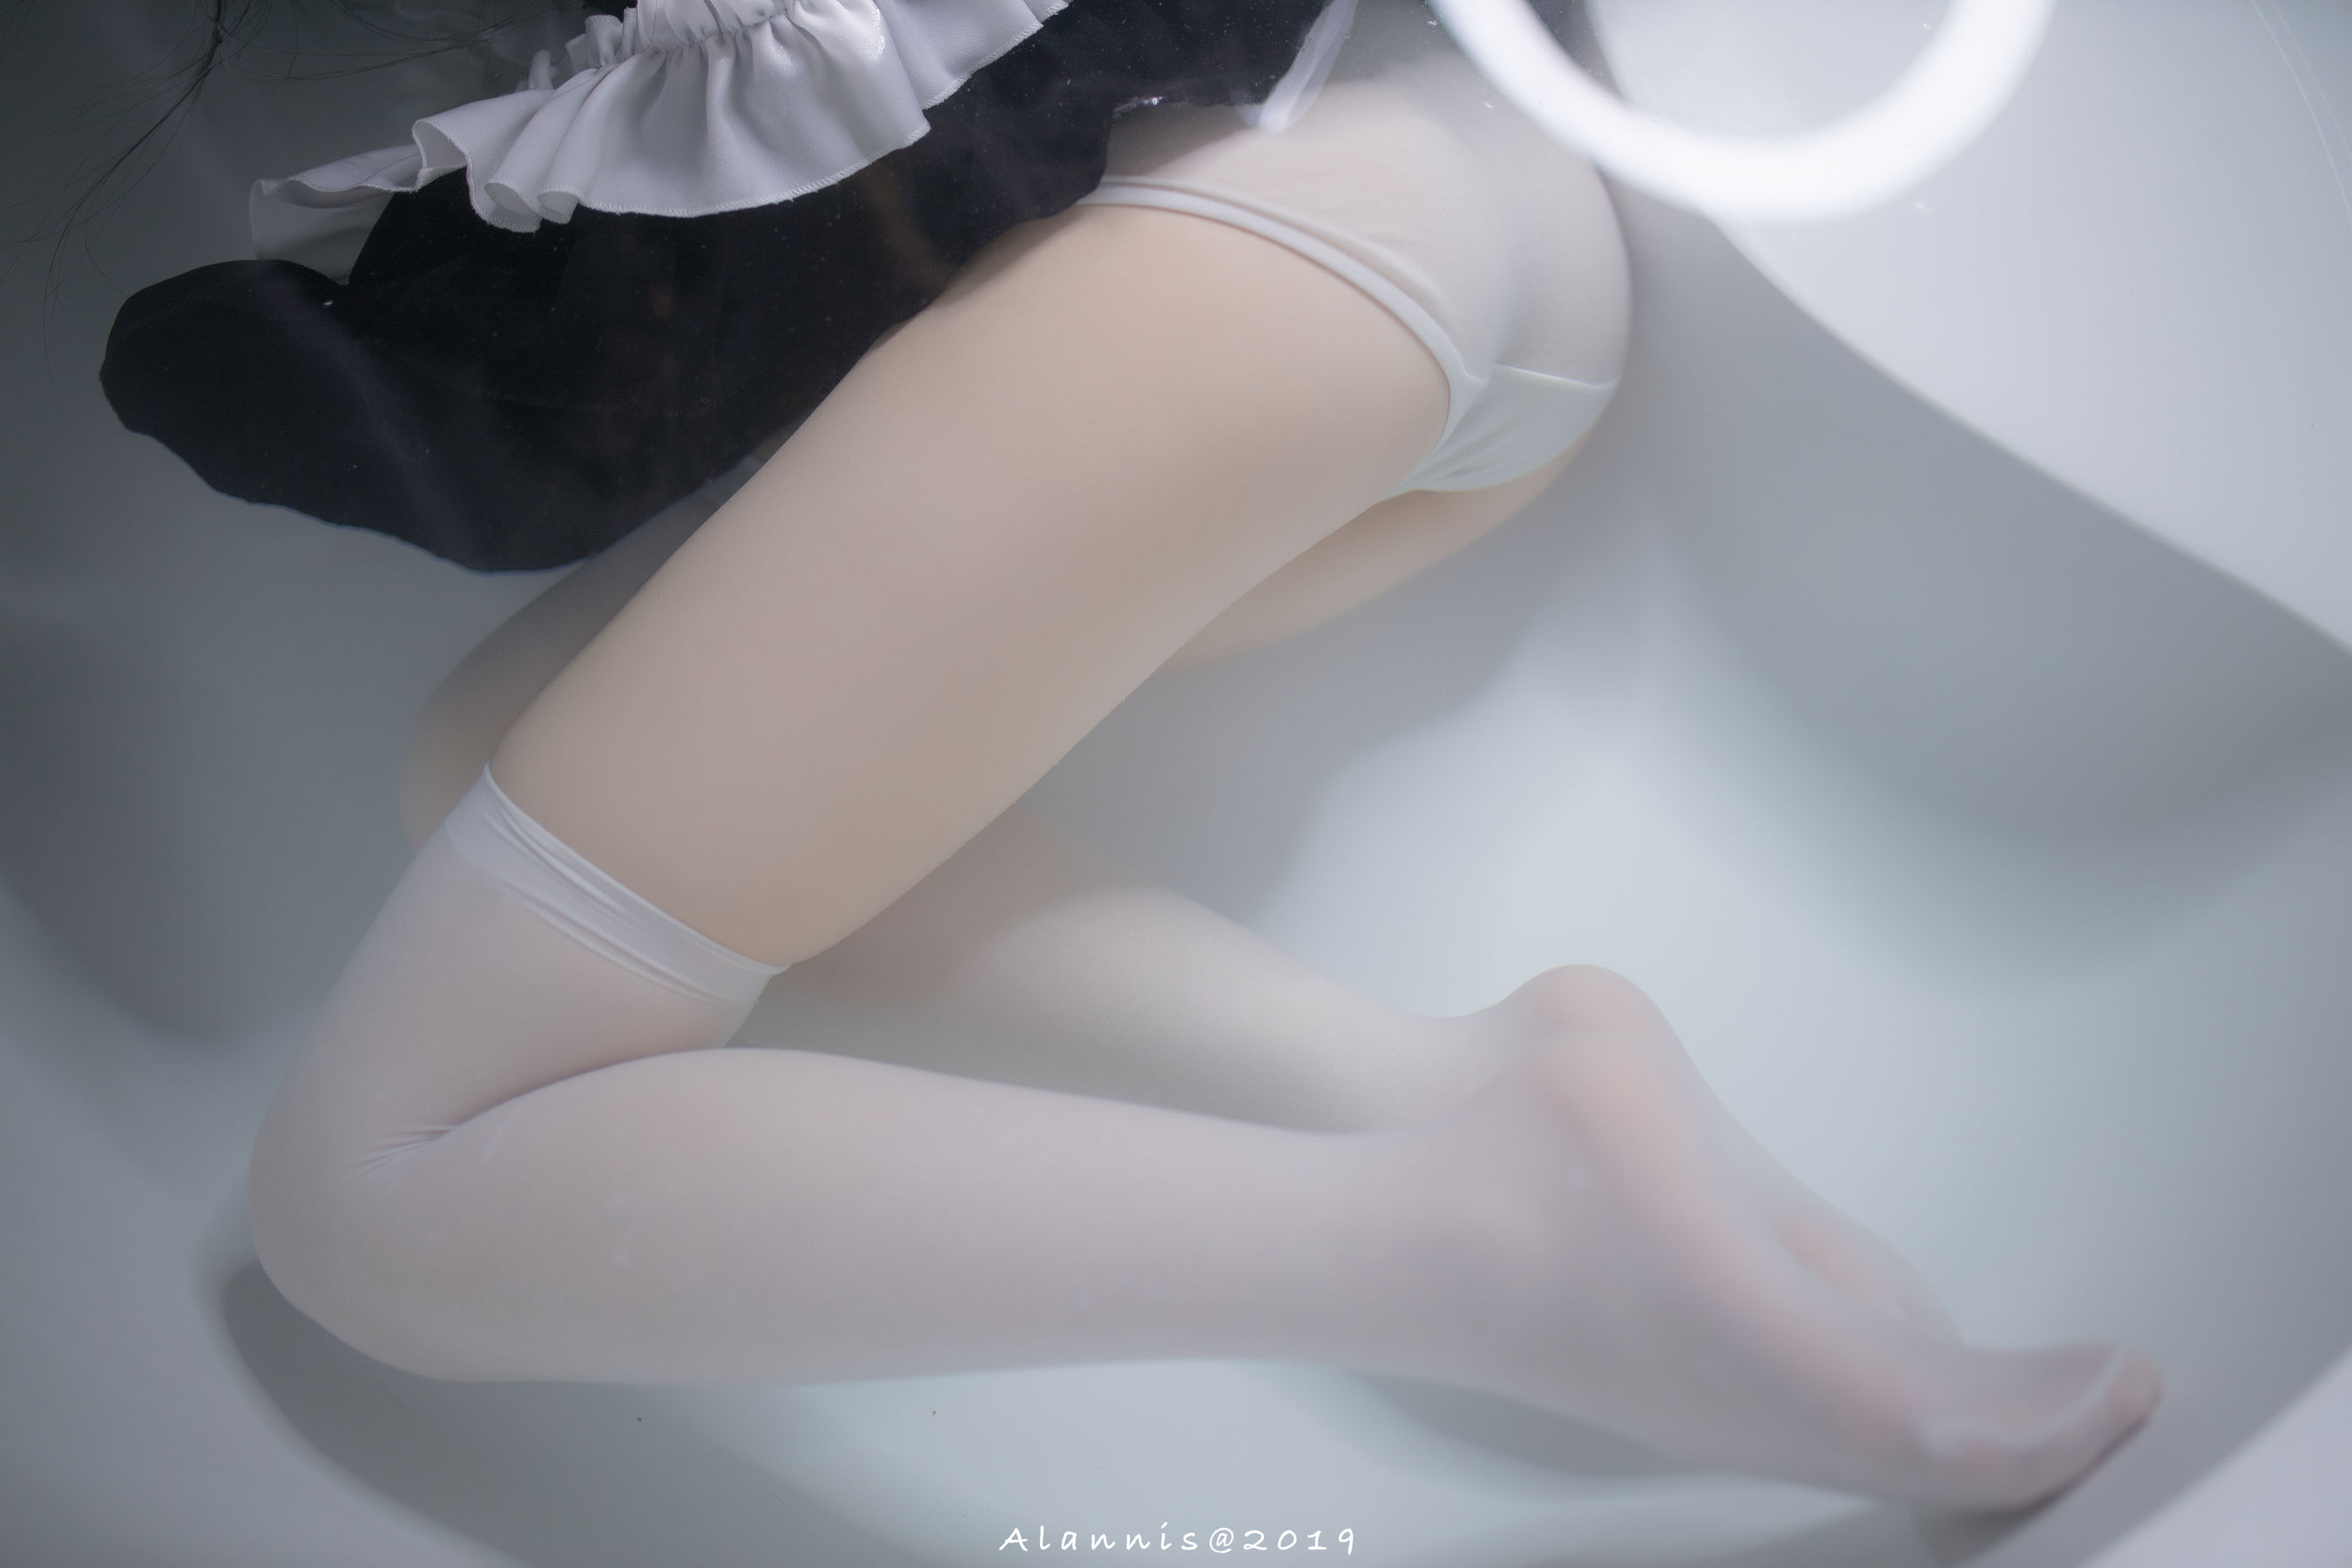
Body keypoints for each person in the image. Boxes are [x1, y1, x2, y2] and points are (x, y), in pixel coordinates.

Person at [111, 0, 2159, 1510]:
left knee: (373, 1198)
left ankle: (1475, 1244)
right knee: (493, 744)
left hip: (1260, 239)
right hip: (1405, 195)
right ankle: (1444, 1096)